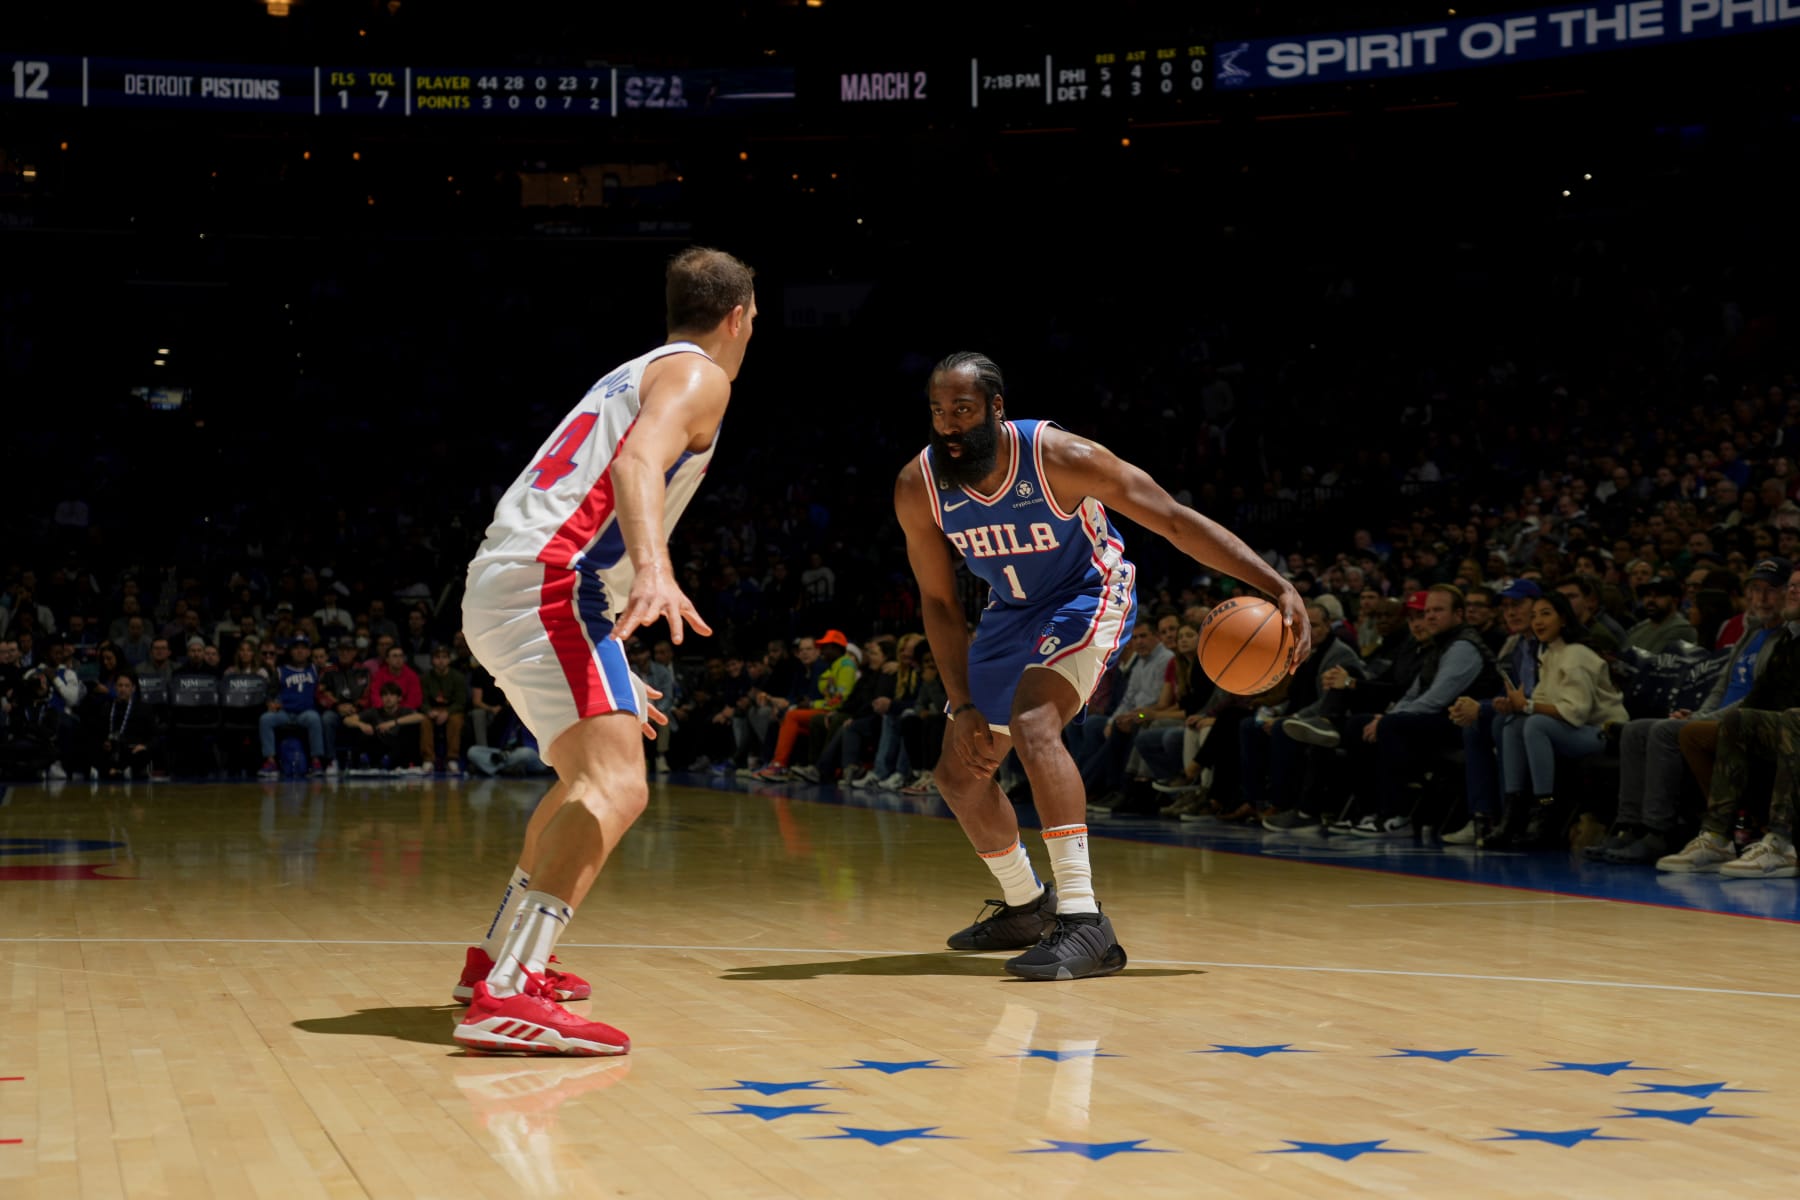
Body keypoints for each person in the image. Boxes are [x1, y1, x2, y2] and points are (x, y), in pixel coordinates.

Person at [895, 351, 1309, 981]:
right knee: (959, 773)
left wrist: (1275, 583)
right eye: (938, 411)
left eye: (963, 410)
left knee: (1034, 725)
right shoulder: (919, 485)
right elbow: (939, 602)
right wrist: (965, 702)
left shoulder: (1060, 457)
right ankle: (1027, 905)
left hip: (1089, 593)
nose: (949, 425)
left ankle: (1085, 921)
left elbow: (1173, 520)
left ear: (996, 409)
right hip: (1011, 611)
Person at [452, 246, 756, 1056]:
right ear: (738, 317)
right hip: (557, 582)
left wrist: (611, 666)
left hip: (516, 581)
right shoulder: (700, 376)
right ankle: (510, 992)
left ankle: (499, 958)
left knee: (584, 777)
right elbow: (637, 462)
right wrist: (655, 570)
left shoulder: (633, 371)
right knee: (618, 785)